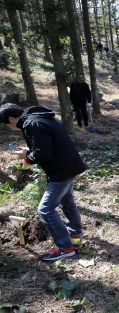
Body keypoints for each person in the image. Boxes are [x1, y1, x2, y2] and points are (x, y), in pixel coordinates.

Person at [0, 103, 87, 261]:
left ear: (12, 119)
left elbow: (43, 154)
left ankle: (65, 247)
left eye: (7, 125)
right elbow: (47, 145)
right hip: (70, 165)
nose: (10, 128)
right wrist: (29, 151)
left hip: (61, 171)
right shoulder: (39, 117)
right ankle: (74, 231)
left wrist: (26, 156)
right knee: (66, 200)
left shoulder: (32, 124)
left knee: (45, 210)